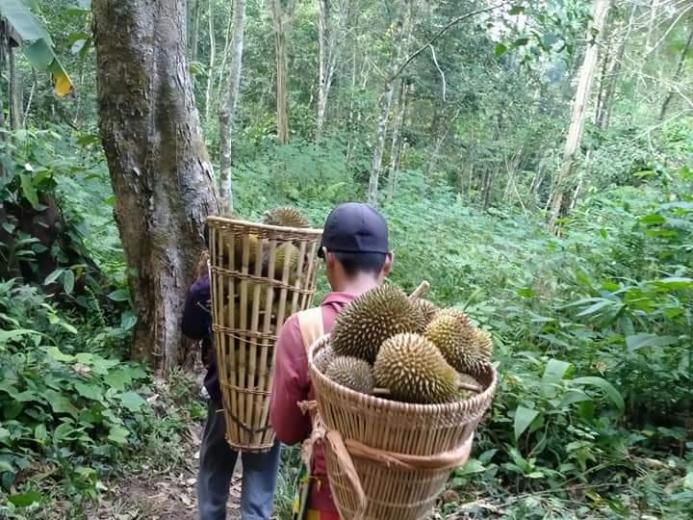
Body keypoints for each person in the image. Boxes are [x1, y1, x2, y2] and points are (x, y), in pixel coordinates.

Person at [270, 202, 393, 520]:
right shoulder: (413, 330)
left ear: (329, 260)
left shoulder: (303, 328)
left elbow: (287, 430)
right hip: (397, 501)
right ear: (387, 263)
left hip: (326, 502)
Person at [182, 226, 281, 520]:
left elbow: (190, 329)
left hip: (225, 391)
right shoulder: (278, 282)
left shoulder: (207, 287)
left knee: (214, 470)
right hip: (267, 394)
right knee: (260, 481)